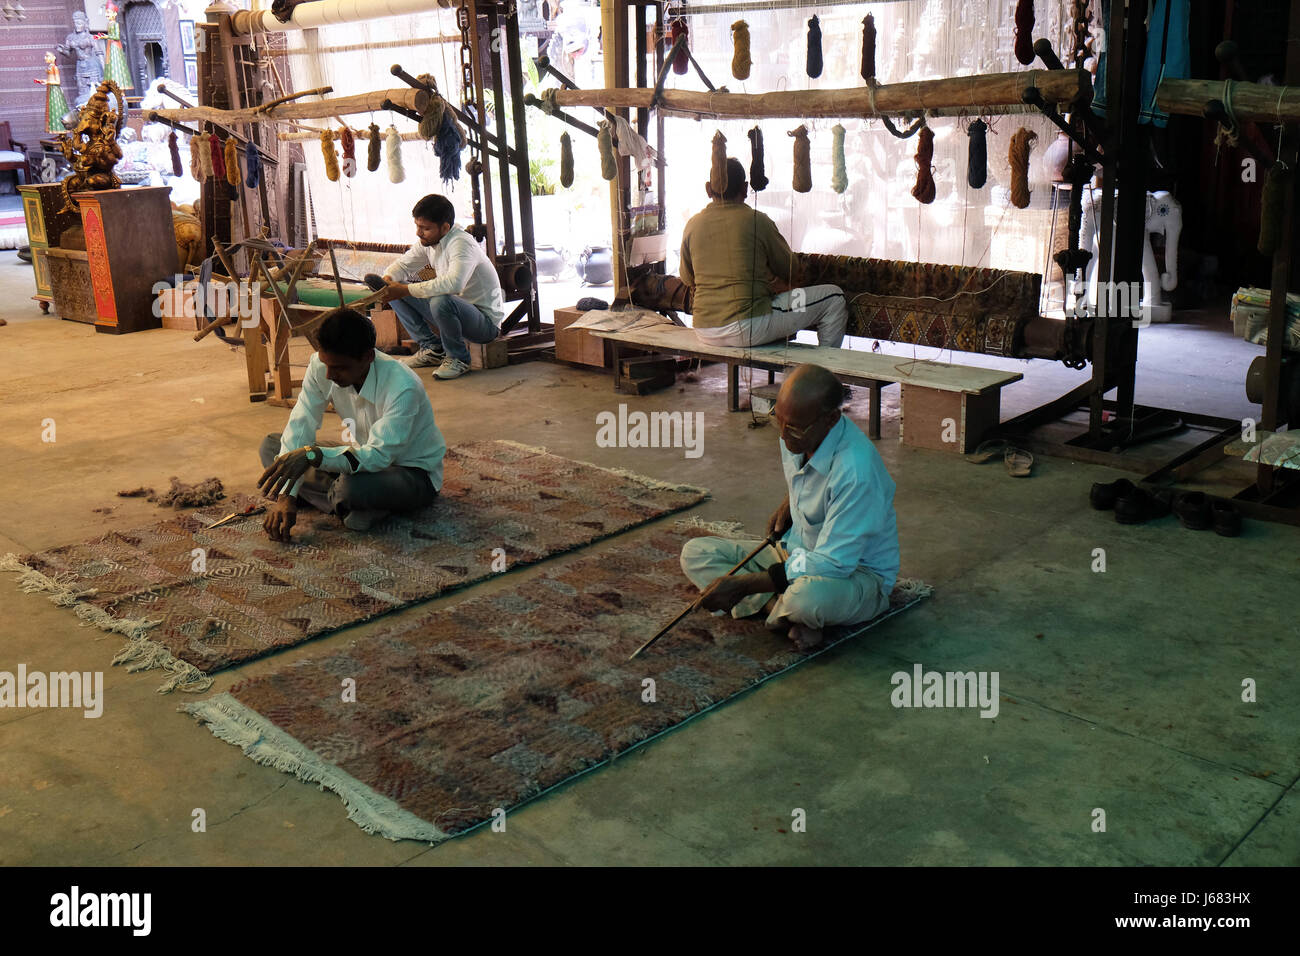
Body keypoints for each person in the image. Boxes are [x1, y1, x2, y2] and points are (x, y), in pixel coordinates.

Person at [680, 365, 898, 651]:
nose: (783, 435)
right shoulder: (797, 432)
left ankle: (788, 608)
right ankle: (780, 611)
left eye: (792, 427)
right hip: (796, 552)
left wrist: (744, 585)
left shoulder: (857, 471)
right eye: (778, 420)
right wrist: (791, 501)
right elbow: (811, 477)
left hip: (853, 575)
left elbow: (834, 563)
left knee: (806, 599)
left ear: (831, 419)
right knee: (696, 553)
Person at [257, 309, 445, 539]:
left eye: (339, 367)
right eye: (325, 363)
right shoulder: (321, 367)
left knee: (350, 487)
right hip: (361, 459)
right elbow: (301, 422)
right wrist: (287, 496)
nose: (328, 375)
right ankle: (353, 504)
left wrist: (312, 456)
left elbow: (378, 456)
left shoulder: (403, 386)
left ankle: (345, 499)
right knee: (274, 448)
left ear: (368, 357)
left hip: (410, 473)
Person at [679, 157, 849, 349]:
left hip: (704, 329)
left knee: (787, 302)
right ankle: (823, 374)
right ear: (744, 188)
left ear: (708, 189)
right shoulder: (757, 221)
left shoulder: (692, 225)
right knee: (834, 298)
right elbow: (791, 270)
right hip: (751, 326)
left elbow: (687, 279)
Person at [377, 194, 504, 381]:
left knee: (440, 299)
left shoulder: (461, 243)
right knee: (390, 290)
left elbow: (454, 284)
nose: (418, 233)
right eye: (417, 226)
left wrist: (405, 290)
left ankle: (458, 359)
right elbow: (404, 265)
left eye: (425, 228)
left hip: (484, 325)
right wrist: (388, 279)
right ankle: (433, 349)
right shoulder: (429, 243)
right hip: (457, 312)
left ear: (445, 227)